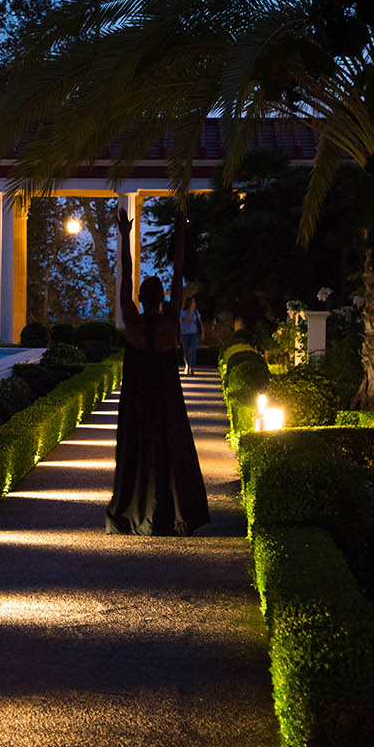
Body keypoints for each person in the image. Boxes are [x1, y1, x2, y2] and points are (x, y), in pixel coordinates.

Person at [106, 207, 210, 536]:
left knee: (136, 452)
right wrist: (181, 231)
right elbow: (179, 270)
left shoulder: (132, 322)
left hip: (137, 402)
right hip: (165, 401)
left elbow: (125, 277)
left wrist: (124, 236)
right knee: (169, 451)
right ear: (163, 297)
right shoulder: (169, 324)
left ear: (139, 298)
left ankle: (133, 512)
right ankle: (171, 514)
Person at [179, 297, 203, 375]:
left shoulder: (196, 312)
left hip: (194, 334)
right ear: (188, 303)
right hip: (185, 334)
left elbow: (200, 323)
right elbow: (186, 321)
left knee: (193, 350)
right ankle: (187, 365)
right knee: (186, 352)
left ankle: (191, 367)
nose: (193, 304)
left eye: (194, 302)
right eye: (192, 302)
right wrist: (189, 312)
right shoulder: (182, 313)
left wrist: (202, 333)